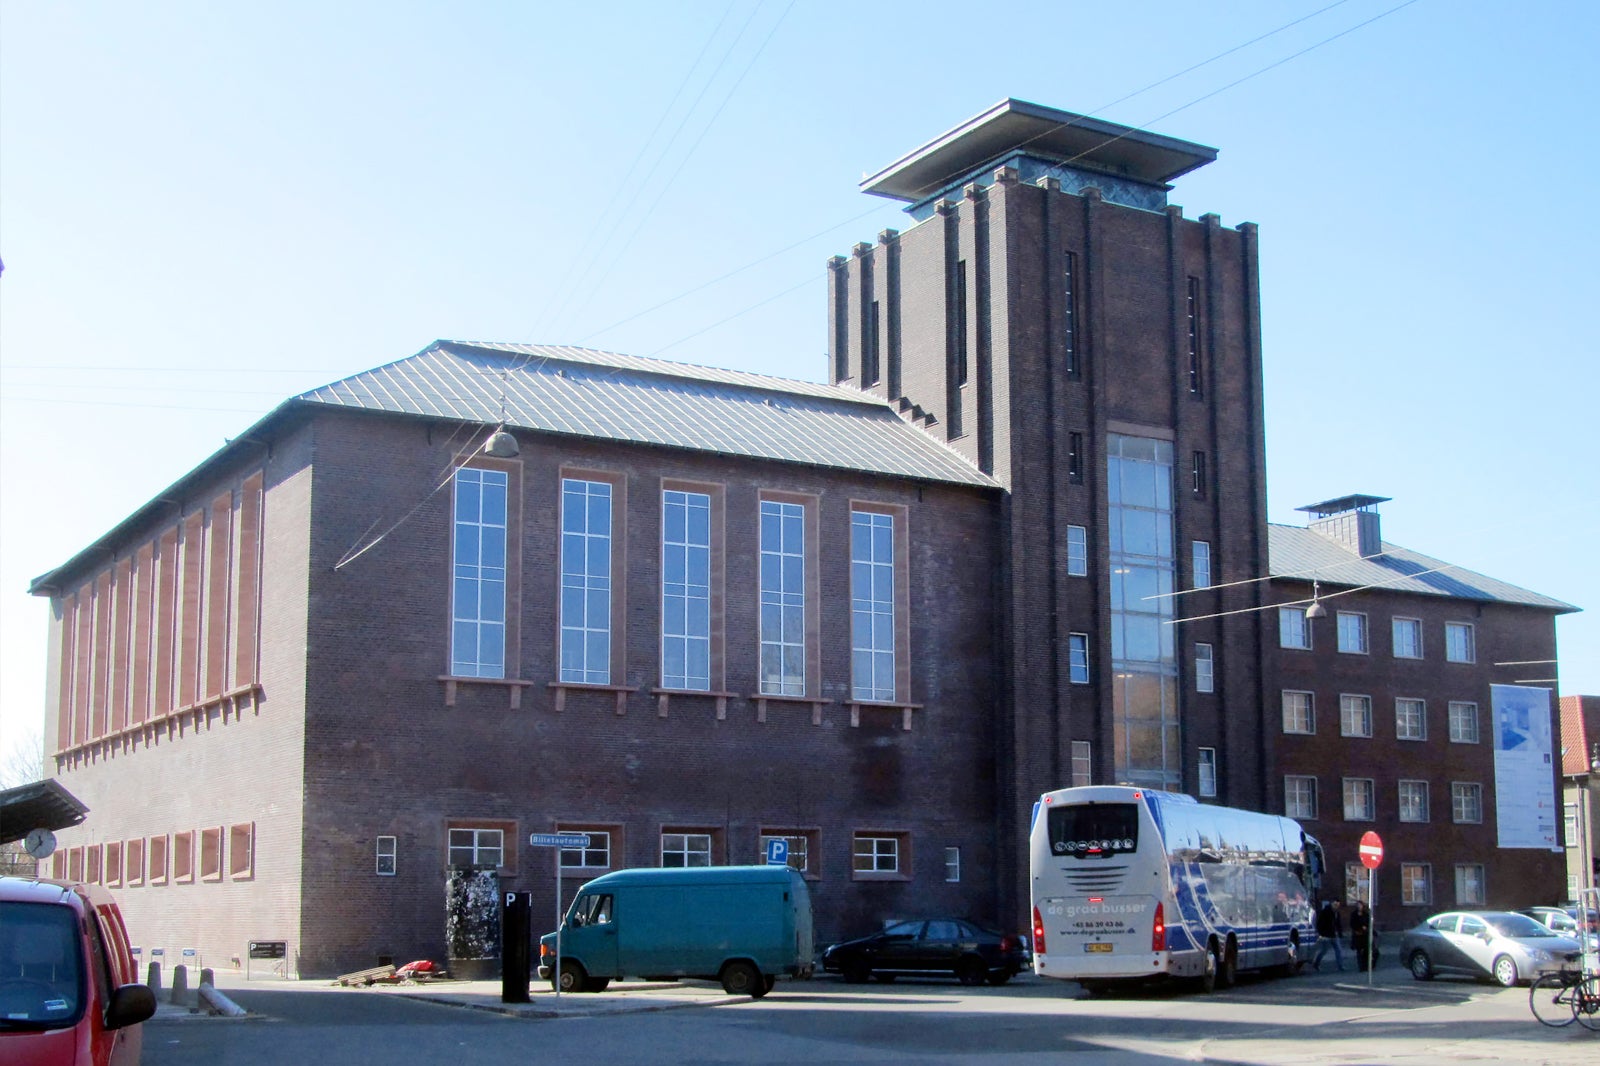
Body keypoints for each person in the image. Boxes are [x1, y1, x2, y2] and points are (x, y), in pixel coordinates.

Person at [1311, 899, 1345, 971]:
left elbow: (1338, 924)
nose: (1336, 906)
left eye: (1337, 905)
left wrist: (1340, 932)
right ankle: (1316, 963)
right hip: (1326, 934)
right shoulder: (1325, 912)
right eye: (1335, 905)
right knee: (1324, 950)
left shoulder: (1336, 913)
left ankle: (1340, 966)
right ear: (1332, 904)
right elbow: (1320, 923)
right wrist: (1321, 933)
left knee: (1338, 950)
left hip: (1333, 934)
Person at [1350, 900, 1373, 971]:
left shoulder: (1366, 914)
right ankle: (1361, 967)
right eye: (1358, 905)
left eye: (1360, 905)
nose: (1359, 907)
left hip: (1365, 934)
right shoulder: (1354, 914)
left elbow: (1369, 922)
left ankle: (1366, 965)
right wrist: (1358, 928)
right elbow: (1352, 924)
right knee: (1359, 951)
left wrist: (1366, 927)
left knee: (1366, 950)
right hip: (1357, 934)